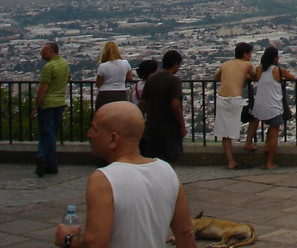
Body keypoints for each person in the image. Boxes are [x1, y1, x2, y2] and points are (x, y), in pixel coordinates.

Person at [53, 101, 196, 248]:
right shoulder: (167, 171)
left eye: (95, 130)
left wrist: (68, 240)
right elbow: (186, 234)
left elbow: (96, 243)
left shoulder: (103, 179)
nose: (89, 134)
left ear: (113, 139)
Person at [250, 46, 296, 170]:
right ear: (276, 58)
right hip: (274, 106)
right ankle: (269, 162)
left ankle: (265, 147)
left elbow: (255, 78)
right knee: (274, 133)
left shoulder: (259, 69)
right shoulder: (279, 71)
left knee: (271, 127)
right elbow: (293, 78)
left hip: (259, 106)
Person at [213, 42, 257, 169]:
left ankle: (230, 161)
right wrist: (246, 77)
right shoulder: (247, 64)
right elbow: (255, 77)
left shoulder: (225, 64)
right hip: (235, 100)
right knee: (255, 117)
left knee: (225, 132)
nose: (250, 56)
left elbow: (216, 78)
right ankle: (248, 143)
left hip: (221, 99)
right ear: (245, 54)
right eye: (250, 53)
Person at [140, 49, 185, 165]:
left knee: (153, 161)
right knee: (171, 161)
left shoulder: (151, 79)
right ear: (175, 64)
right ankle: (169, 182)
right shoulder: (174, 80)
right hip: (170, 128)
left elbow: (143, 103)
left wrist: (142, 123)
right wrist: (182, 125)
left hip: (152, 127)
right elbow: (175, 105)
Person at [32, 41, 70, 177]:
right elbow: (68, 78)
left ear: (51, 52)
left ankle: (51, 163)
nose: (41, 53)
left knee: (47, 134)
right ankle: (41, 155)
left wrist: (35, 107)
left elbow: (42, 89)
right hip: (60, 102)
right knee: (48, 133)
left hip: (48, 104)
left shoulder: (49, 67)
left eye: (44, 50)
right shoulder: (64, 63)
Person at [95, 41, 133, 110]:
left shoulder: (102, 66)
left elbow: (98, 84)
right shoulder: (125, 63)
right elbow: (130, 78)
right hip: (121, 93)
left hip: (105, 94)